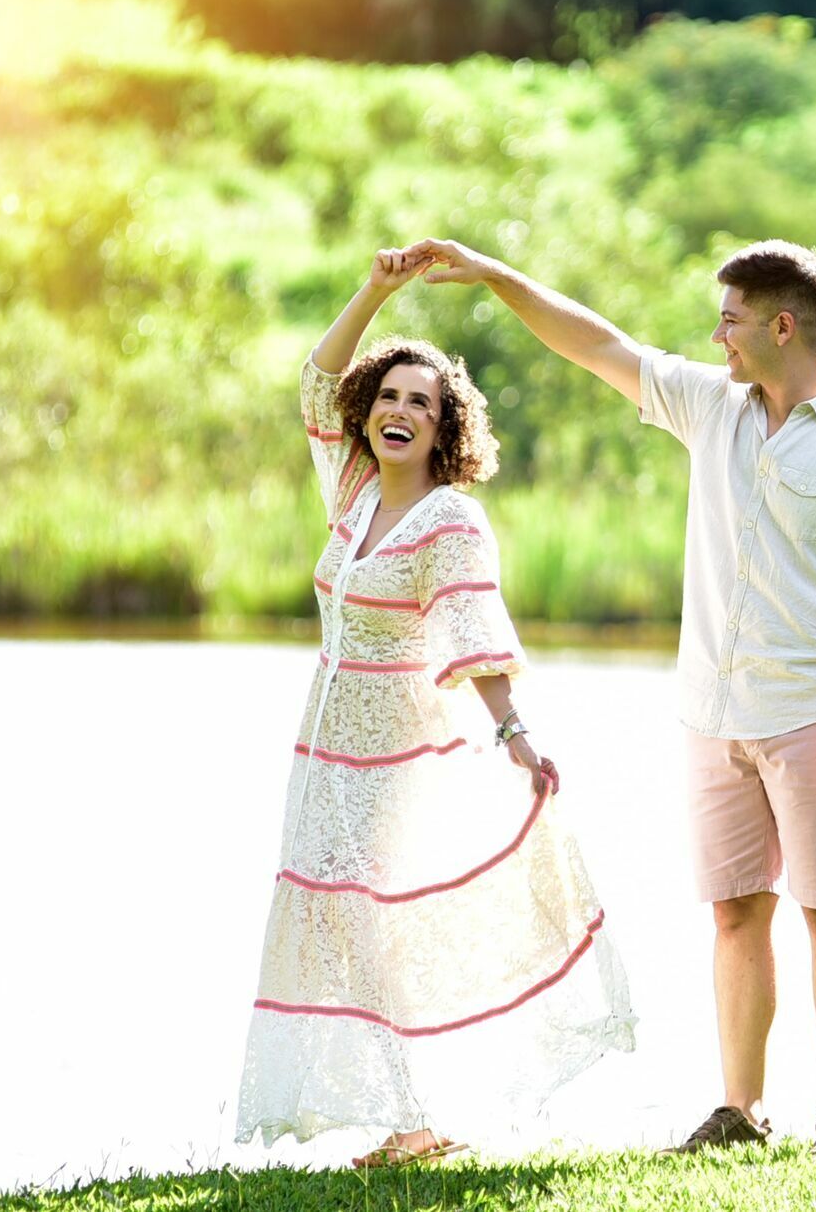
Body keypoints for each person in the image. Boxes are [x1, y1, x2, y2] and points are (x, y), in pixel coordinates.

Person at [409, 235, 816, 1155]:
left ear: (782, 325)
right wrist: (495, 276)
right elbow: (597, 344)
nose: (716, 334)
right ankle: (742, 1110)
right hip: (709, 714)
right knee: (735, 911)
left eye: (730, 317)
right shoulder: (711, 406)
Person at [234, 248, 635, 1166]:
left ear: (446, 426)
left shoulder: (449, 520)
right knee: (337, 918)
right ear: (366, 416)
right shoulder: (351, 490)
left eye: (422, 402)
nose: (400, 412)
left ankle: (418, 1116)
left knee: (373, 918)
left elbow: (472, 627)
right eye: (389, 397)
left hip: (399, 752)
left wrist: (516, 733)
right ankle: (412, 1111)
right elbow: (315, 381)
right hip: (323, 750)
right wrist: (377, 289)